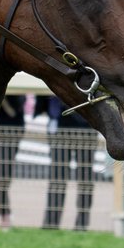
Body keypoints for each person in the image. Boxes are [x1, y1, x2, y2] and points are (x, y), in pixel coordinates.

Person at [43, 97, 96, 231]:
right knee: (57, 177)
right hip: (60, 123)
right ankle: (51, 223)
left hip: (86, 124)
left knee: (85, 177)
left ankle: (82, 224)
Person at [0, 94, 26, 230]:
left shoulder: (18, 94)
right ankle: (4, 213)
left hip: (11, 133)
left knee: (3, 176)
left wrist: (2, 97)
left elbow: (12, 112)